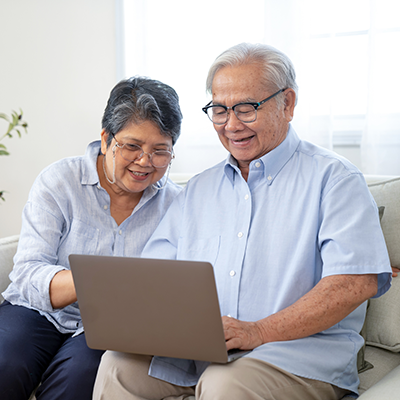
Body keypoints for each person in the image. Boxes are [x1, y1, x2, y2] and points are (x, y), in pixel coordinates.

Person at [93, 43, 392, 400]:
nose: (231, 125)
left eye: (246, 108)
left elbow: (353, 283)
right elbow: (153, 276)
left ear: (288, 103)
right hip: (203, 353)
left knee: (224, 383)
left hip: (297, 356)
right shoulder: (197, 191)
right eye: (219, 110)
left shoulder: (336, 179)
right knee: (117, 366)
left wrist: (258, 332)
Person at [0, 76, 183, 400]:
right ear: (105, 139)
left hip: (115, 327)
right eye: (132, 146)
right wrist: (96, 280)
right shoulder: (60, 181)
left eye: (160, 151)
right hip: (37, 311)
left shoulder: (178, 205)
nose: (145, 162)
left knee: (81, 376)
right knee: (6, 362)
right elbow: (28, 271)